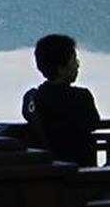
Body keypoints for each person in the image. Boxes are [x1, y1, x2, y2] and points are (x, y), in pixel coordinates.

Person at [22, 33, 100, 166]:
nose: (77, 66)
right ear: (61, 68)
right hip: (78, 172)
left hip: (47, 170)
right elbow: (93, 123)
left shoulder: (31, 98)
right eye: (74, 60)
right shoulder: (80, 97)